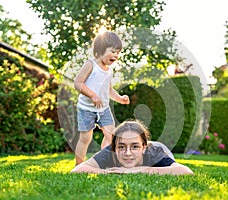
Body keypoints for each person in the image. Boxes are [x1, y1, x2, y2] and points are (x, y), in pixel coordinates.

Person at [74, 31, 130, 166]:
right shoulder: (91, 65)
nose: (116, 55)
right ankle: (79, 165)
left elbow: (109, 90)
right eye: (113, 51)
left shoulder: (109, 71)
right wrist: (92, 95)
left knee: (110, 134)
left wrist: (120, 98)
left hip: (103, 109)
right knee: (86, 138)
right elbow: (78, 83)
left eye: (118, 52)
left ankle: (103, 162)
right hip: (86, 108)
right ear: (100, 51)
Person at [71, 120, 194, 175]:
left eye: (134, 147)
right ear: (114, 148)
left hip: (158, 146)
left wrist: (139, 171)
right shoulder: (110, 151)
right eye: (122, 147)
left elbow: (186, 171)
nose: (128, 153)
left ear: (144, 147)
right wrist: (106, 172)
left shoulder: (154, 153)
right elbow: (77, 170)